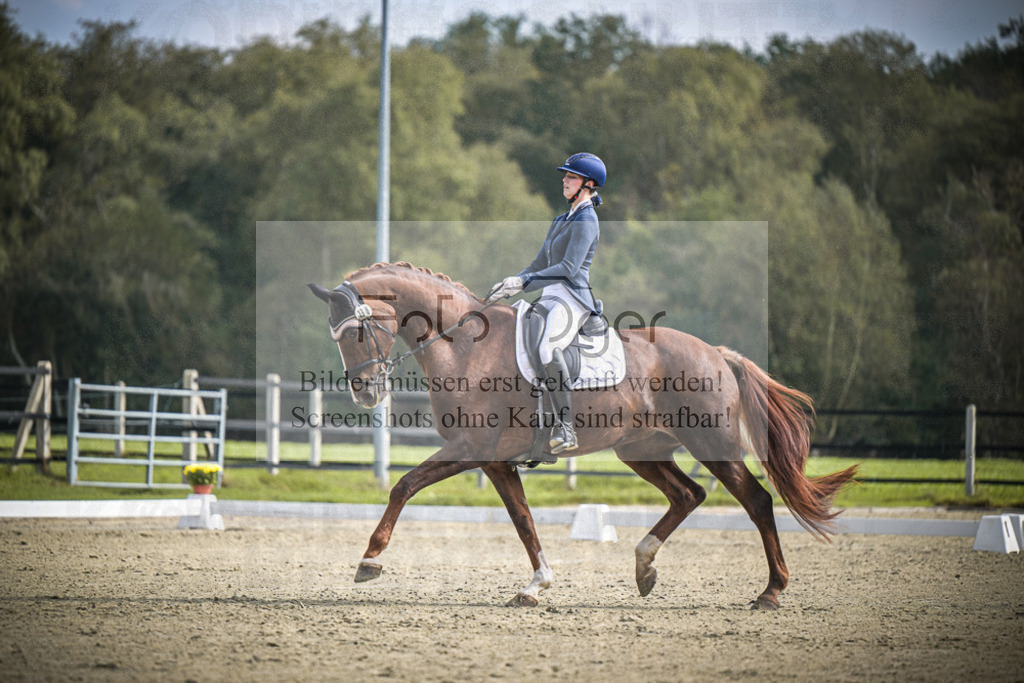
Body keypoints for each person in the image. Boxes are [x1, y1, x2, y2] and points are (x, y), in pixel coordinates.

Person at [487, 152, 606, 455]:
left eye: (571, 176)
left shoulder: (587, 219)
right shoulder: (561, 218)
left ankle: (566, 427)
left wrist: (525, 283)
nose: (564, 180)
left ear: (588, 184)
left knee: (546, 348)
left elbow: (568, 267)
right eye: (566, 175)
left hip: (573, 299)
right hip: (551, 296)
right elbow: (540, 262)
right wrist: (513, 281)